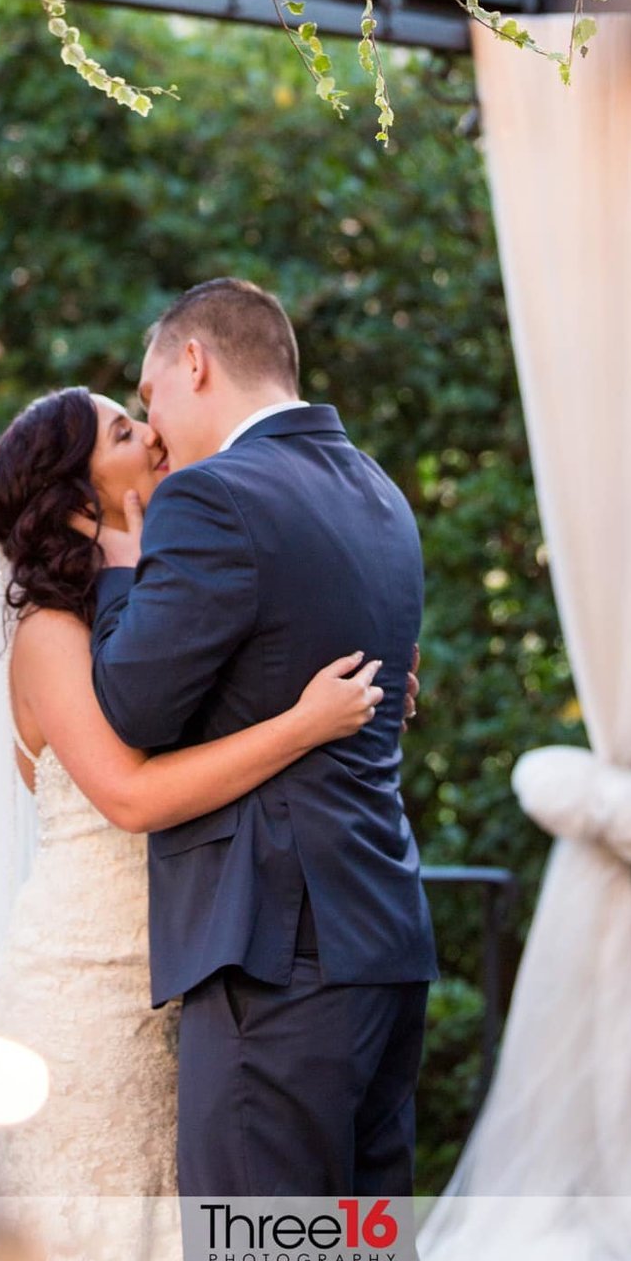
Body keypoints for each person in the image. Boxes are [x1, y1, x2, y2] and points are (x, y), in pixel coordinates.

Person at [0, 385, 396, 1261]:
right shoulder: (48, 632)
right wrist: (304, 723)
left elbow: (229, 721)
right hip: (87, 993)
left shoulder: (170, 606)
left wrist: (364, 695)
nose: (154, 434)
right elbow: (130, 797)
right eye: (125, 430)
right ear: (73, 495)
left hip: (199, 978)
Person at [92, 279, 437, 1200]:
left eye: (148, 393)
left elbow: (131, 705)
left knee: (258, 1249)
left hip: (275, 953)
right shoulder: (379, 493)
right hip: (383, 933)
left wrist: (121, 574)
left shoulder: (213, 498)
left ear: (195, 363)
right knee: (358, 1249)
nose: (151, 425)